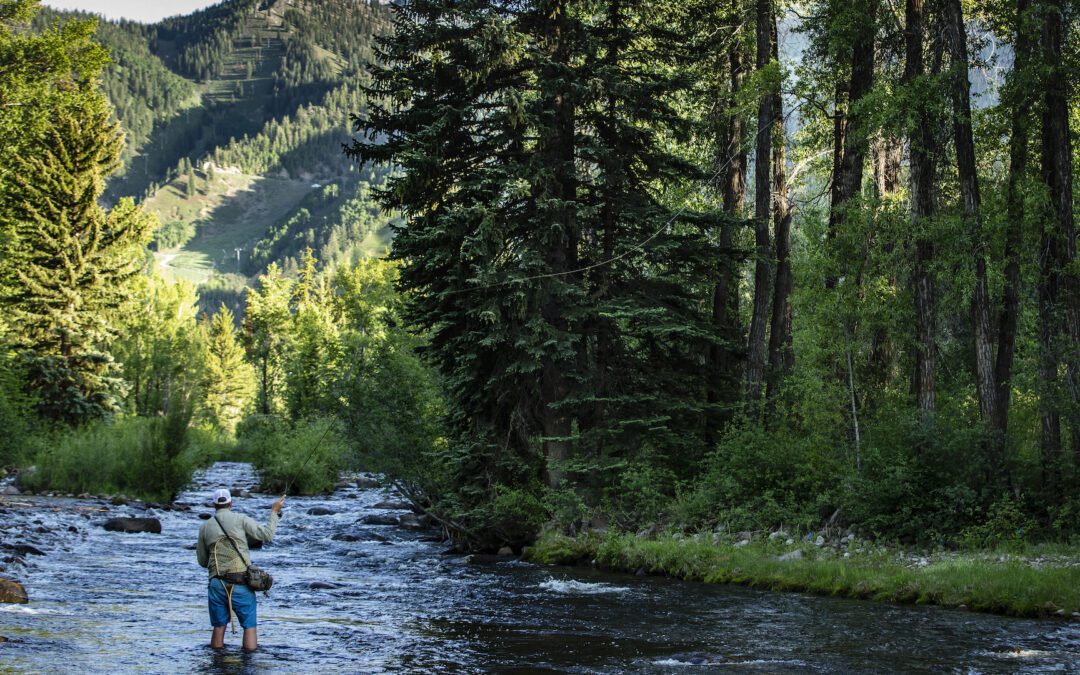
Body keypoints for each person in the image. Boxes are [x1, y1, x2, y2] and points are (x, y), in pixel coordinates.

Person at [196, 488, 285, 651]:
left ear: (214, 505)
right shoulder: (241, 519)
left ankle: (217, 663)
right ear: (231, 503)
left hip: (216, 584)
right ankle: (249, 663)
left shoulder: (205, 527)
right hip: (241, 583)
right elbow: (267, 535)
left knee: (218, 626)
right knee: (249, 626)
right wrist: (274, 511)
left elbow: (202, 561)